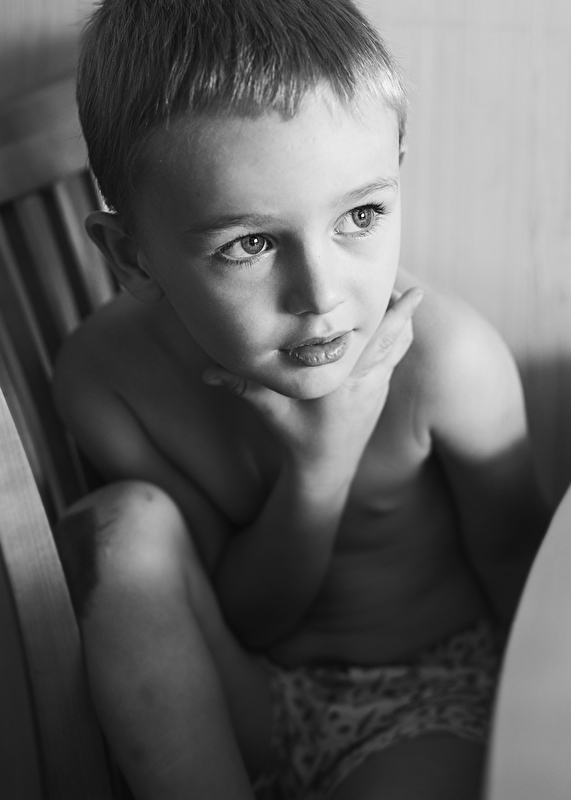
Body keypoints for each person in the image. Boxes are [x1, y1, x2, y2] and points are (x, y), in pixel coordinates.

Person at [52, 0, 551, 798]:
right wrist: (322, 460)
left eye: (361, 214)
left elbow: (524, 572)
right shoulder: (109, 380)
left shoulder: (445, 363)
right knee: (115, 529)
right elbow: (246, 618)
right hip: (248, 691)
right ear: (132, 255)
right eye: (249, 244)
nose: (320, 296)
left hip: (432, 695)